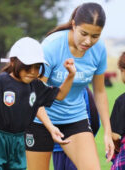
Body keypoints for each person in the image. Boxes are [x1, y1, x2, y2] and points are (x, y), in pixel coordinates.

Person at [24, 3, 114, 170]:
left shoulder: (99, 50)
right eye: (84, 34)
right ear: (74, 24)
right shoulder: (51, 46)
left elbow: (100, 92)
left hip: (75, 118)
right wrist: (50, 127)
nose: (88, 41)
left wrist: (108, 132)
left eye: (95, 36)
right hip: (40, 120)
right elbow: (35, 94)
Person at [0, 37, 76, 170]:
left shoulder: (36, 86)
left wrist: (70, 75)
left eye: (37, 67)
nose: (33, 72)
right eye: (27, 67)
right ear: (13, 62)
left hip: (18, 140)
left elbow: (60, 95)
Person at [52, 87, 100, 170]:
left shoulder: (50, 87)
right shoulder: (83, 89)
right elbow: (95, 120)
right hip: (77, 144)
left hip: (61, 146)